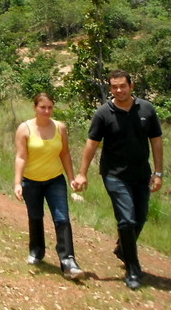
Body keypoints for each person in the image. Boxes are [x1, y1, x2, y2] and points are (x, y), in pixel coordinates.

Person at [72, 69, 164, 290]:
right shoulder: (103, 113)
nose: (119, 90)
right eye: (114, 87)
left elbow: (157, 141)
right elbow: (91, 144)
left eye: (123, 85)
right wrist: (82, 173)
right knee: (126, 219)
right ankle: (133, 268)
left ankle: (123, 248)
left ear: (131, 86)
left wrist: (158, 173)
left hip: (141, 174)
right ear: (110, 88)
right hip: (114, 175)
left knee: (140, 219)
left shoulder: (147, 109)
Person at [14, 93, 84, 280]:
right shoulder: (24, 129)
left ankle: (68, 260)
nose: (46, 111)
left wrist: (71, 178)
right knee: (35, 216)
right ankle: (37, 251)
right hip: (31, 181)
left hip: (55, 180)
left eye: (50, 107)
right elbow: (21, 157)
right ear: (35, 107)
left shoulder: (60, 127)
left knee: (62, 218)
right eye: (42, 107)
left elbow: (65, 154)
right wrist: (17, 183)